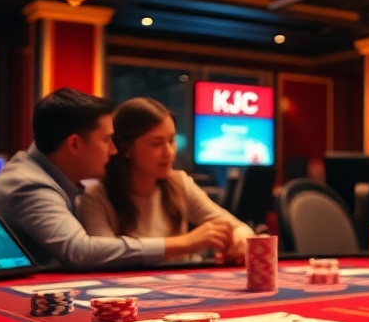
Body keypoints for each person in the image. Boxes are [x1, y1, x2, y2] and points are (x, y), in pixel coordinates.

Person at [0, 88, 231, 270]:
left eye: (171, 140)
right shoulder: (31, 184)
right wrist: (184, 242)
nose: (113, 150)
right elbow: (80, 251)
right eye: (106, 140)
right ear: (75, 144)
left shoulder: (45, 176)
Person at [77, 97, 252, 263]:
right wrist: (186, 242)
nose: (169, 152)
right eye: (157, 143)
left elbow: (240, 228)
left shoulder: (179, 184)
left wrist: (239, 240)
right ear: (126, 148)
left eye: (171, 140)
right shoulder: (95, 198)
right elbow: (103, 256)